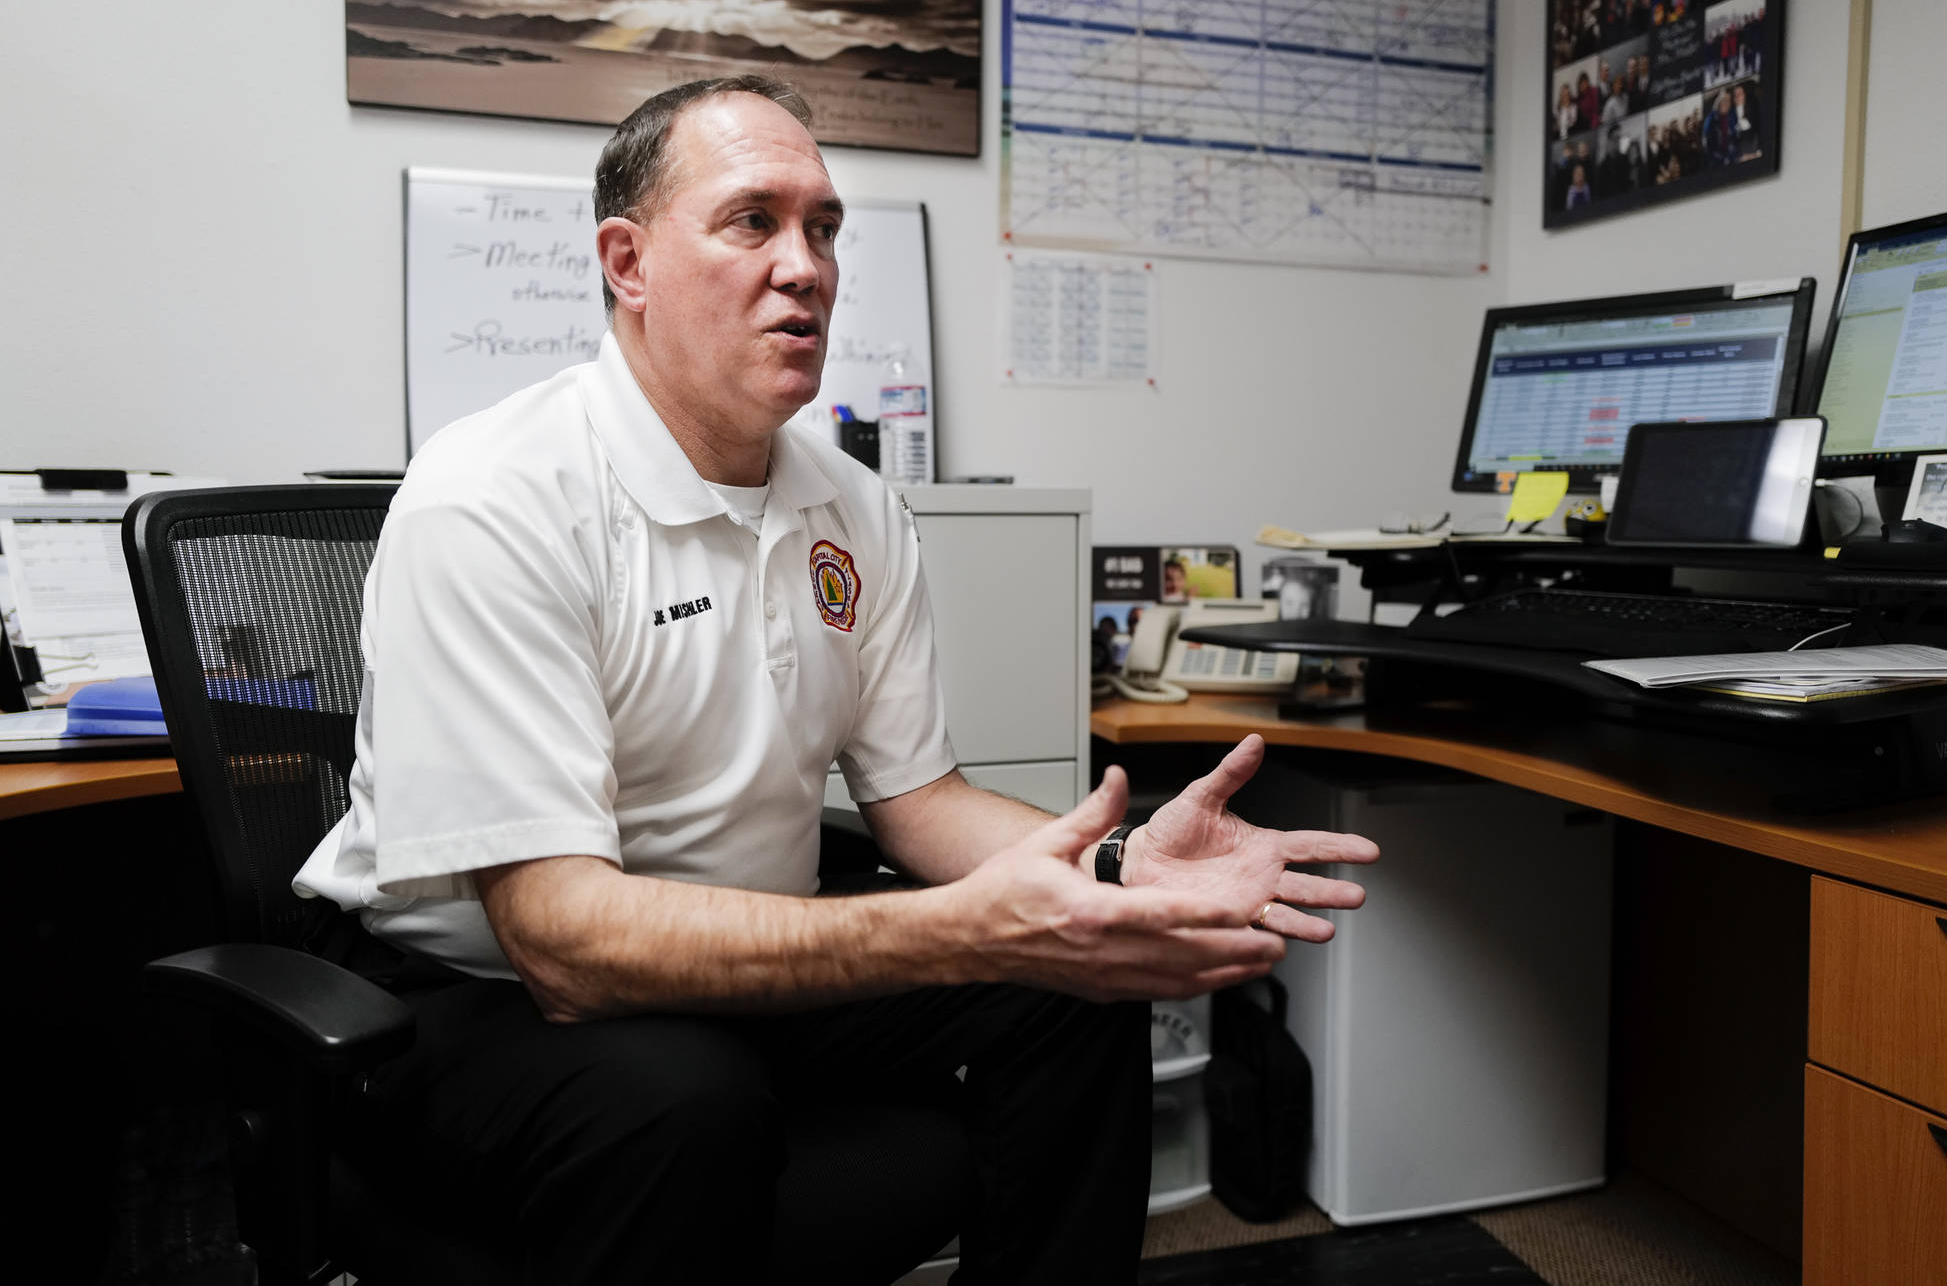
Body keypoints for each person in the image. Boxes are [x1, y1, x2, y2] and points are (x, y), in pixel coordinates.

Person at [292, 75, 1380, 1285]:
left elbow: (918, 802)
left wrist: (1111, 874)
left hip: (750, 955)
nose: (804, 265)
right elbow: (563, 942)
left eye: (822, 227)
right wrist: (946, 931)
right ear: (627, 261)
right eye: (752, 220)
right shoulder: (496, 495)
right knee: (678, 1095)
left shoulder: (850, 505)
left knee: (1074, 983)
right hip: (470, 986)